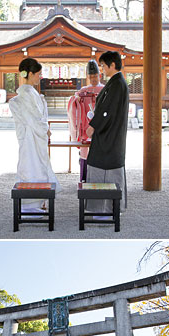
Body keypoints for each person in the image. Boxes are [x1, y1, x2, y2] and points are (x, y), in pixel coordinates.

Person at [10, 57, 57, 212]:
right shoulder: (27, 93)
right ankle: (29, 206)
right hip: (31, 136)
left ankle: (35, 204)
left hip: (32, 136)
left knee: (35, 167)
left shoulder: (29, 92)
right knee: (32, 167)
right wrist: (45, 129)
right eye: (38, 74)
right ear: (30, 74)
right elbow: (34, 118)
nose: (40, 77)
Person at [85, 50, 129, 213]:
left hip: (110, 135)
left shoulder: (117, 84)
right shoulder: (115, 83)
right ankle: (103, 207)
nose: (101, 69)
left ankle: (106, 208)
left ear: (112, 65)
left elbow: (107, 111)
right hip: (109, 133)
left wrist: (93, 125)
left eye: (103, 65)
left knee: (105, 167)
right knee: (102, 166)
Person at [67, 60, 105, 182]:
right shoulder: (83, 90)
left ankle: (100, 179)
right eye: (91, 76)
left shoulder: (105, 89)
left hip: (101, 126)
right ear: (87, 77)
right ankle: (85, 178)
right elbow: (73, 102)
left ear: (100, 75)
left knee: (101, 151)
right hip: (86, 125)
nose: (93, 79)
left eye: (95, 76)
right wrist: (77, 99)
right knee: (85, 152)